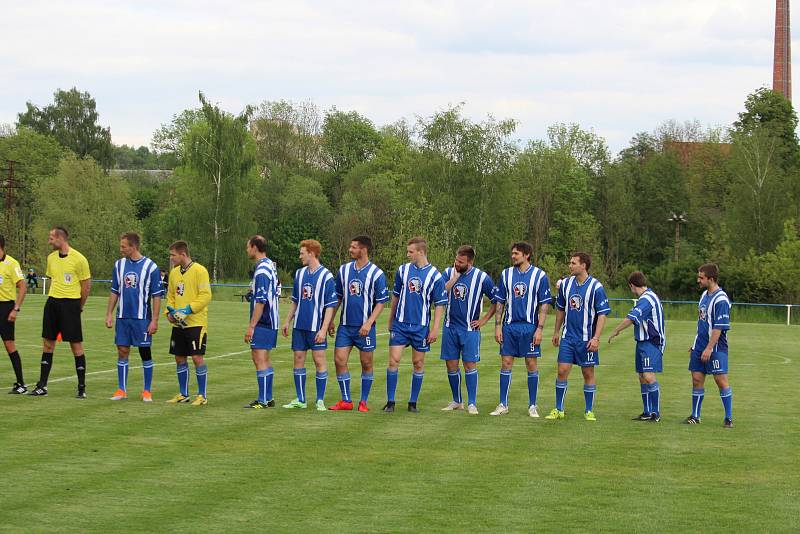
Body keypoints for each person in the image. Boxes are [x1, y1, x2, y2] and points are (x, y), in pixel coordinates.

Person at [384, 237, 447, 413]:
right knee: (393, 360)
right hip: (400, 324)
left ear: (421, 252)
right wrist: (391, 319)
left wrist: (435, 329)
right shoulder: (402, 270)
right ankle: (391, 402)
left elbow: (440, 304)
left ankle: (413, 403)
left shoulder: (435, 275)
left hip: (420, 327)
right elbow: (395, 295)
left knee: (418, 363)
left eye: (411, 252)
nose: (408, 255)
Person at [328, 235, 389, 412]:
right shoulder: (344, 270)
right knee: (339, 360)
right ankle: (346, 400)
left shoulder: (377, 273)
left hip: (365, 328)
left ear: (363, 250)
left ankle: (363, 401)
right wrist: (331, 319)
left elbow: (380, 302)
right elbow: (338, 297)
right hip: (345, 326)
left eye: (354, 247)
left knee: (366, 363)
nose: (350, 250)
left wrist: (369, 323)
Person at [490, 242, 552, 417]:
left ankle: (532, 405)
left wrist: (539, 328)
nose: (513, 256)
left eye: (516, 253)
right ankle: (503, 404)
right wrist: (497, 326)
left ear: (526, 255)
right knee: (506, 363)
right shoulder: (506, 274)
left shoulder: (539, 276)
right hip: (510, 326)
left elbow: (544, 304)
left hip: (530, 327)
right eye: (512, 253)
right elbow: (500, 301)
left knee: (531, 364)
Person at [547, 252, 610, 421]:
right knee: (562, 371)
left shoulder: (596, 287)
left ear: (583, 266)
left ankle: (589, 410)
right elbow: (560, 309)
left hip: (586, 339)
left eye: (573, 263)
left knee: (588, 373)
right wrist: (556, 331)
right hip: (568, 338)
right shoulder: (566, 285)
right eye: (570, 262)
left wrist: (596, 338)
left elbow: (602, 314)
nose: (570, 265)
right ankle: (558, 408)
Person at [29, 227, 91, 398]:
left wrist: (79, 306)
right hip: (52, 303)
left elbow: (86, 286)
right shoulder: (51, 258)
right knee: (48, 344)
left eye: (51, 238)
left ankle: (81, 387)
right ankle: (42, 385)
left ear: (60, 238)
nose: (49, 241)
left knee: (76, 345)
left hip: (71, 305)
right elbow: (52, 280)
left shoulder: (79, 259)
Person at [104, 232, 163, 402]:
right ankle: (121, 390)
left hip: (142, 318)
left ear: (133, 247)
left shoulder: (151, 267)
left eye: (123, 246)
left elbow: (157, 295)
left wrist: (155, 320)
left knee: (145, 352)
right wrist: (109, 313)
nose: (120, 249)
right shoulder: (119, 265)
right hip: (123, 317)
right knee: (122, 351)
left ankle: (147, 391)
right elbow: (115, 290)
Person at [439, 245, 496, 415]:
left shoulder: (482, 277)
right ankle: (457, 401)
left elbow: (496, 300)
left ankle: (472, 403)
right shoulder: (448, 273)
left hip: (469, 330)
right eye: (456, 260)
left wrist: (484, 320)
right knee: (451, 365)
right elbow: (440, 293)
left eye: (461, 262)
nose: (457, 263)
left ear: (470, 262)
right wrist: (454, 279)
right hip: (450, 327)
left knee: (470, 364)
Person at [281, 239, 337, 411]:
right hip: (300, 326)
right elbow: (295, 301)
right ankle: (301, 399)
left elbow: (330, 306)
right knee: (298, 359)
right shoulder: (299, 274)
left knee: (319, 360)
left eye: (302, 253)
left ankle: (320, 400)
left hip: (316, 328)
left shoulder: (326, 276)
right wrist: (287, 321)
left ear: (311, 253)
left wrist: (323, 328)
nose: (300, 256)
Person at [607, 271, 665, 422]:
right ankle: (647, 412)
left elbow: (631, 318)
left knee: (648, 375)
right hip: (642, 342)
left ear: (632, 285)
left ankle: (656, 413)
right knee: (641, 376)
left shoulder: (647, 298)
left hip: (652, 342)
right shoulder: (647, 296)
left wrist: (616, 330)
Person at [164, 240, 212, 406]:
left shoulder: (200, 271)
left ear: (183, 254)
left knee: (197, 357)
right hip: (178, 325)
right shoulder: (174, 273)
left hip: (196, 323)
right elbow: (170, 295)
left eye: (173, 255)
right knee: (179, 357)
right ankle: (183, 394)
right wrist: (169, 314)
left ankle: (202, 395)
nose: (171, 258)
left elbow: (206, 295)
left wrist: (187, 310)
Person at [685, 263, 733, 428]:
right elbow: (702, 321)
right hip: (700, 344)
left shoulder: (721, 299)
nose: (698, 280)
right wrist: (695, 344)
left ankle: (728, 417)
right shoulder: (704, 295)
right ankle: (695, 416)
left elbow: (719, 327)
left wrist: (709, 348)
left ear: (711, 279)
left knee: (720, 380)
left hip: (716, 347)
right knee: (697, 378)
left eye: (701, 277)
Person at [243, 235, 280, 409]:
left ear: (255, 247)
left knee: (259, 358)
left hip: (264, 321)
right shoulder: (268, 265)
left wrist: (251, 326)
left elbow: (261, 301)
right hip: (270, 320)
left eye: (248, 247)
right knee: (264, 358)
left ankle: (263, 400)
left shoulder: (263, 270)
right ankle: (268, 398)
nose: (247, 250)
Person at [0, 234, 28, 394]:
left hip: (5, 308)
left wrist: (15, 308)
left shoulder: (11, 263)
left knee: (9, 345)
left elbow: (22, 286)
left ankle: (21, 384)